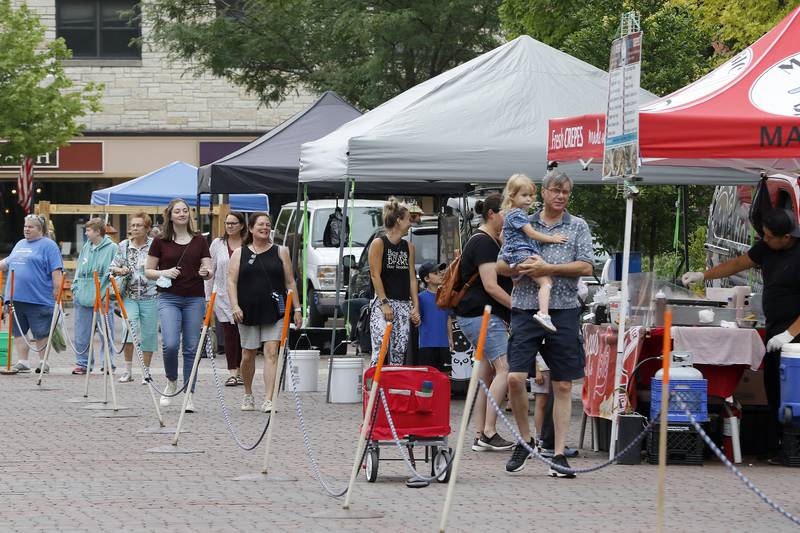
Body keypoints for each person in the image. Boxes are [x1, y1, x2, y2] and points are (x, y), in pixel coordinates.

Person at [683, 209, 800, 464]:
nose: (765, 240)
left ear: (788, 236)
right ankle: (777, 445)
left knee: (794, 395)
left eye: (770, 237)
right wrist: (704, 275)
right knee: (773, 390)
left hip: (795, 338)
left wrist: (789, 334)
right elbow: (738, 263)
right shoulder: (767, 248)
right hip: (774, 331)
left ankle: (794, 448)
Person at [498, 171, 593, 477]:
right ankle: (526, 441)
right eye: (556, 190)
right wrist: (523, 266)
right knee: (514, 378)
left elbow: (586, 265)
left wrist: (550, 267)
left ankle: (559, 452)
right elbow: (501, 263)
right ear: (543, 192)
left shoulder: (577, 226)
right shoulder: (523, 219)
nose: (561, 196)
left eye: (566, 192)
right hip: (526, 308)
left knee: (563, 383)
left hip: (564, 310)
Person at [454, 193, 514, 452]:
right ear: (492, 214)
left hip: (475, 315)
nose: (509, 219)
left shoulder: (484, 240)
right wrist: (518, 306)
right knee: (505, 369)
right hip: (483, 315)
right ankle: (488, 431)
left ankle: (480, 432)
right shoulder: (485, 243)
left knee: (486, 375)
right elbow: (490, 285)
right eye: (506, 213)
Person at [227, 212, 301, 412]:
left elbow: (290, 281)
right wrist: (235, 306)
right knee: (248, 355)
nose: (265, 228)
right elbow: (231, 281)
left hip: (275, 310)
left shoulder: (281, 251)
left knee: (271, 352)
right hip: (247, 311)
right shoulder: (239, 253)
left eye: (268, 225)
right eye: (260, 225)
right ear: (250, 229)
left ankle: (269, 398)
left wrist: (297, 308)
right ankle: (248, 393)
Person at [145, 199, 212, 413]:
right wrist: (164, 272)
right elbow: (148, 271)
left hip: (194, 298)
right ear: (170, 215)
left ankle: (188, 394)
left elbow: (208, 268)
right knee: (170, 344)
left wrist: (206, 272)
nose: (182, 214)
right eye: (178, 211)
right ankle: (171, 380)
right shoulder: (160, 241)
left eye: (185, 211)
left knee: (191, 348)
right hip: (169, 297)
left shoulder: (199, 240)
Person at [501, 174, 568, 333]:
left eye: (531, 195)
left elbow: (502, 236)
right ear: (512, 195)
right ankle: (544, 313)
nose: (529, 199)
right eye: (524, 195)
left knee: (519, 282)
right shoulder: (517, 214)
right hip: (521, 254)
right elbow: (532, 234)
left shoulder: (510, 214)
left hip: (514, 255)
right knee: (546, 282)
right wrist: (552, 239)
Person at [0, 214, 63, 373]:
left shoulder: (49, 245)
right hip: (15, 297)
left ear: (40, 229)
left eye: (30, 227)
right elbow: (7, 262)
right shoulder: (20, 243)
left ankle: (43, 363)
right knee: (18, 331)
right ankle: (23, 362)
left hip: (38, 298)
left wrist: (58, 291)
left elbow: (56, 270)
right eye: (25, 226)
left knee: (41, 332)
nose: (26, 229)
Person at [368, 198, 420, 366]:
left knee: (399, 351)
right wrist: (384, 303)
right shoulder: (379, 243)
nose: (410, 223)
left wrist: (415, 306)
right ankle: (372, 390)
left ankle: (392, 390)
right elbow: (375, 275)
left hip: (403, 303)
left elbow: (412, 277)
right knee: (380, 348)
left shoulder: (409, 247)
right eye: (408, 219)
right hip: (383, 302)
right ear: (398, 220)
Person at [109, 212, 158, 383]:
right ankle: (128, 370)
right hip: (128, 295)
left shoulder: (155, 246)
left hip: (150, 296)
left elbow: (163, 268)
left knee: (149, 334)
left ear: (147, 228)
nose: (134, 228)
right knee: (129, 328)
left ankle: (146, 372)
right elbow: (113, 267)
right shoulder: (123, 246)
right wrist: (120, 270)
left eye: (139, 225)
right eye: (132, 225)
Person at [71, 218, 118, 375]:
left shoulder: (112, 248)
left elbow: (116, 271)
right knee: (82, 332)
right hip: (83, 296)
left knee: (106, 332)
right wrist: (75, 287)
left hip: (102, 296)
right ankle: (82, 363)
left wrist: (109, 292)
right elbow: (79, 268)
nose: (86, 232)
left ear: (98, 231)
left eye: (89, 230)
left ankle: (108, 362)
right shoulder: (86, 247)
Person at [207, 211, 247, 387]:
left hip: (245, 296)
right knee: (230, 334)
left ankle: (244, 371)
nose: (229, 226)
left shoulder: (249, 244)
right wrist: (208, 297)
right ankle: (233, 372)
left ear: (242, 225)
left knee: (244, 335)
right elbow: (210, 270)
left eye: (233, 223)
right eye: (227, 223)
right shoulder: (218, 244)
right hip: (222, 296)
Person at [416, 261, 451, 372]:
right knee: (427, 378)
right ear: (427, 279)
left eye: (440, 272)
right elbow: (416, 319)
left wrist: (450, 338)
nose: (440, 274)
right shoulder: (420, 298)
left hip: (444, 344)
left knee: (445, 376)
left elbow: (448, 318)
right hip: (426, 345)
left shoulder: (445, 296)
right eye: (435, 273)